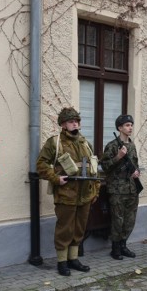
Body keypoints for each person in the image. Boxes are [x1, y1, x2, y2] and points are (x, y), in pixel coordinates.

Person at [36, 107, 100, 276]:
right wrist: (56, 179)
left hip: (85, 195)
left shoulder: (85, 143)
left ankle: (73, 259)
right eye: (71, 121)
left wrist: (96, 191)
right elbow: (41, 165)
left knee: (79, 228)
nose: (75, 124)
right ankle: (62, 262)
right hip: (66, 194)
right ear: (63, 124)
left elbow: (94, 169)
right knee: (65, 229)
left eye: (77, 121)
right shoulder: (55, 143)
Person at [100, 114, 141, 260]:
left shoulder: (132, 145)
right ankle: (115, 248)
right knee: (118, 220)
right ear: (120, 128)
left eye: (131, 125)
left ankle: (124, 245)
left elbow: (135, 164)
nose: (130, 128)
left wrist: (137, 172)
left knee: (130, 220)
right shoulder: (112, 146)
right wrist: (118, 156)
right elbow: (104, 166)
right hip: (117, 189)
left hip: (131, 189)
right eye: (127, 125)